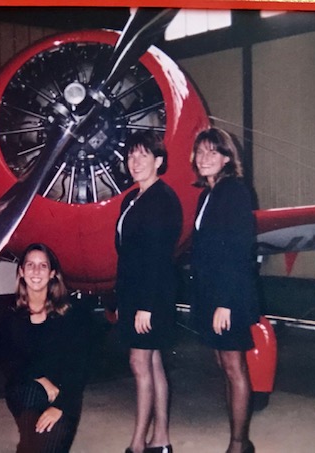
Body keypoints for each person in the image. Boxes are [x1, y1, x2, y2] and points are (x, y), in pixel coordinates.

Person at [189, 127, 259, 453]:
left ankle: (238, 444)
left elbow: (239, 250)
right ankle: (239, 439)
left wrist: (225, 303)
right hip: (211, 294)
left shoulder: (234, 191)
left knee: (234, 367)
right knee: (225, 366)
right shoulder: (208, 194)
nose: (205, 158)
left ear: (227, 158)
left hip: (227, 296)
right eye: (201, 152)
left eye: (212, 152)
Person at [115, 132, 182, 453]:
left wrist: (146, 306)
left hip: (149, 298)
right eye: (131, 156)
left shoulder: (162, 199)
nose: (135, 162)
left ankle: (138, 444)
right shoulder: (133, 198)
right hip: (136, 295)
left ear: (159, 161)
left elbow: (157, 257)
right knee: (152, 364)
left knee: (140, 364)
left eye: (143, 156)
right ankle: (162, 440)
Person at [0, 243, 92, 453]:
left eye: (43, 266)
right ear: (21, 271)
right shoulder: (8, 310)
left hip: (65, 391)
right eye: (30, 265)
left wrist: (61, 406)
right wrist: (41, 379)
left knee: (50, 443)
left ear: (53, 273)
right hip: (24, 386)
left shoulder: (71, 312)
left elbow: (79, 366)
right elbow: (3, 358)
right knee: (36, 436)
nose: (36, 271)